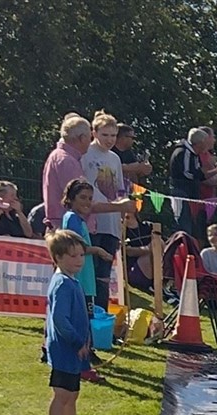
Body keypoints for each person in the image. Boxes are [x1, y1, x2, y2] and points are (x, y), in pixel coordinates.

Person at [44, 230, 94, 415]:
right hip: (65, 349)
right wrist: (76, 342)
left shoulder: (71, 281)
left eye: (81, 255)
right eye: (72, 256)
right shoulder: (62, 284)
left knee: (72, 395)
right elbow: (60, 319)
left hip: (75, 350)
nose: (79, 260)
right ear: (58, 258)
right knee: (61, 395)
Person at [42, 114, 132, 233]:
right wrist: (119, 207)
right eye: (90, 137)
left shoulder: (67, 157)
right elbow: (81, 202)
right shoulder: (67, 161)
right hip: (71, 228)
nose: (90, 142)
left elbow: (119, 190)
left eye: (113, 135)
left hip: (94, 225)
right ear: (82, 138)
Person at [60, 179, 108, 382]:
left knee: (83, 319)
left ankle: (83, 357)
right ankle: (82, 364)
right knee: (82, 321)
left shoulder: (78, 220)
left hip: (85, 277)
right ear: (70, 199)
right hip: (80, 279)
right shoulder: (72, 219)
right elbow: (75, 248)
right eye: (82, 197)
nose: (87, 202)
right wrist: (97, 250)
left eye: (90, 198)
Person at [82, 113, 128, 310]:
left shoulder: (115, 158)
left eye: (113, 135)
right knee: (89, 271)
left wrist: (123, 209)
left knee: (104, 275)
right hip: (92, 222)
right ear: (94, 133)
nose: (110, 140)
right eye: (105, 135)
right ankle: (88, 313)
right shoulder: (85, 154)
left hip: (111, 224)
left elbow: (119, 189)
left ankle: (101, 316)